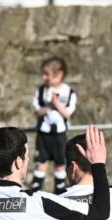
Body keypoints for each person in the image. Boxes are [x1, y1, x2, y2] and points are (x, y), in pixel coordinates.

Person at [30, 56, 77, 193]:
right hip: (44, 134)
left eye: (47, 74)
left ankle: (60, 189)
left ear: (59, 74)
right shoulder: (41, 91)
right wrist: (49, 106)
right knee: (41, 162)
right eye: (43, 74)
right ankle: (36, 188)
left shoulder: (69, 92)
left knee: (60, 162)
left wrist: (57, 105)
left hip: (59, 134)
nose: (44, 77)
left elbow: (68, 113)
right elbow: (37, 111)